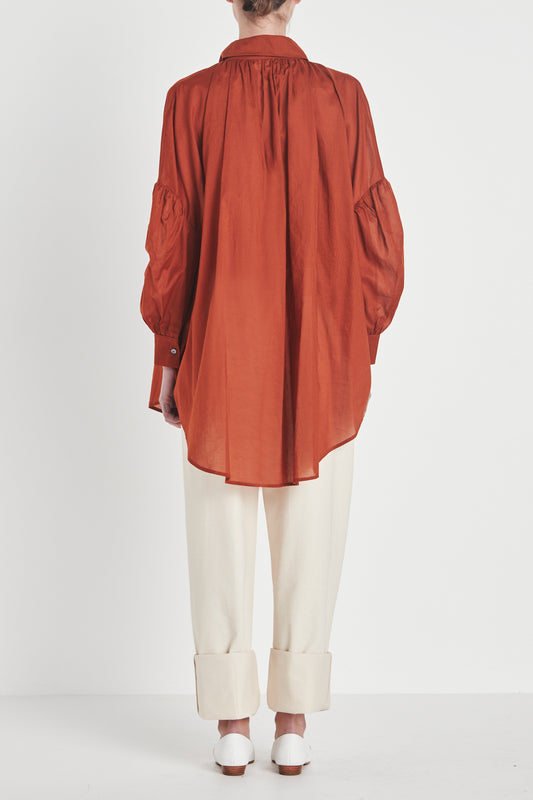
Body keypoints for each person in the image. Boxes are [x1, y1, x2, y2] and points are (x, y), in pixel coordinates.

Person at [140, 0, 404, 777]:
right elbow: (378, 242)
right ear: (293, 3)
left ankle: (231, 725)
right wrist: (356, 343)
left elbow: (173, 240)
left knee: (216, 536)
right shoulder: (343, 97)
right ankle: (291, 725)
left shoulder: (188, 99)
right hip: (322, 352)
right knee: (310, 539)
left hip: (218, 351)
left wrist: (168, 357)